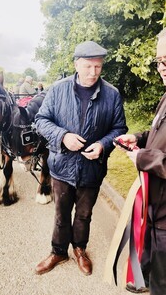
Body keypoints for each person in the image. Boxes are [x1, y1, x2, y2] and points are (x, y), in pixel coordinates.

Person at [34, 41, 128, 276]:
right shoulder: (57, 89)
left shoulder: (112, 94)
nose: (93, 72)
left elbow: (119, 128)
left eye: (98, 67)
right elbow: (41, 120)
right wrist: (63, 136)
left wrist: (102, 145)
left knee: (84, 215)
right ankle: (58, 251)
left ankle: (79, 250)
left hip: (92, 169)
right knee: (60, 214)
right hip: (61, 166)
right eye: (88, 66)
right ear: (76, 64)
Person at [115, 22, 166, 295]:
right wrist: (139, 138)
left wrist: (146, 159)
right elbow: (160, 134)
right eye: (159, 61)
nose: (162, 67)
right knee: (154, 280)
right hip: (153, 210)